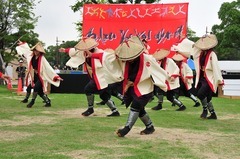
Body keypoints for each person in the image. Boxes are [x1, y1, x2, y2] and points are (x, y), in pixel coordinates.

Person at [115, 36, 168, 137]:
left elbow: (158, 71)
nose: (129, 58)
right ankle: (150, 127)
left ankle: (126, 129)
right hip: (133, 88)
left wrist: (165, 82)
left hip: (145, 88)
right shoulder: (125, 60)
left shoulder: (147, 59)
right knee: (140, 109)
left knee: (136, 105)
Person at [60, 37, 122, 117]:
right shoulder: (83, 52)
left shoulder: (99, 52)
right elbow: (73, 51)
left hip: (102, 77)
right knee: (103, 95)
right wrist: (65, 50)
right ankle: (115, 111)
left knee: (88, 89)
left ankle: (90, 109)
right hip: (97, 77)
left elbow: (108, 58)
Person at [16, 41, 63, 108]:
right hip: (35, 76)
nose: (36, 52)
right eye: (35, 51)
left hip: (41, 77)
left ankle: (32, 101)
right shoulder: (31, 56)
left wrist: (56, 77)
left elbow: (48, 68)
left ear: (40, 52)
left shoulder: (42, 59)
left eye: (37, 51)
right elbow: (26, 50)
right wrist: (22, 44)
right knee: (36, 90)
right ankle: (47, 102)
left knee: (36, 88)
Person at [193, 34, 224, 119]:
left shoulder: (212, 54)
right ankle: (213, 114)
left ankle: (205, 110)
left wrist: (220, 80)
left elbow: (216, 67)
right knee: (208, 97)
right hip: (202, 78)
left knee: (200, 94)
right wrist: (197, 44)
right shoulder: (201, 53)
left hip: (209, 78)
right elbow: (194, 54)